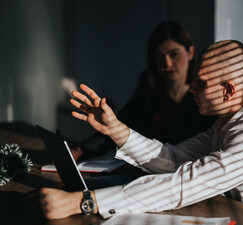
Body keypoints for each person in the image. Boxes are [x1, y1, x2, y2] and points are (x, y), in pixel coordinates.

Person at [37, 40, 243, 225]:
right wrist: (118, 131)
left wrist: (84, 202)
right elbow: (174, 159)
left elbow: (183, 184)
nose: (191, 90)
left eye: (200, 84)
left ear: (228, 90)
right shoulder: (229, 124)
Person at [71, 21, 215, 161]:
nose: (167, 63)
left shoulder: (202, 97)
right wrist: (81, 149)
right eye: (159, 57)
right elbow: (118, 125)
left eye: (174, 54)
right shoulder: (148, 89)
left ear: (190, 53)